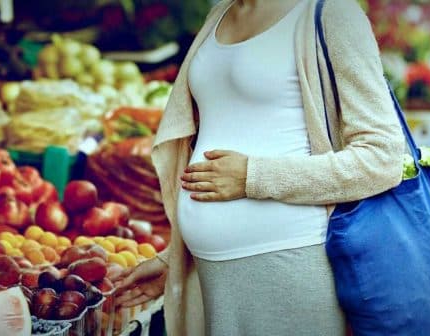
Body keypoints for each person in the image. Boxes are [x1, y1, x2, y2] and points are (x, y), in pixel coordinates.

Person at [114, 0, 406, 335]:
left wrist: (254, 176)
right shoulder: (220, 13)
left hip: (289, 261)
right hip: (213, 274)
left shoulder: (331, 14)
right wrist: (174, 258)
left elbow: (382, 158)